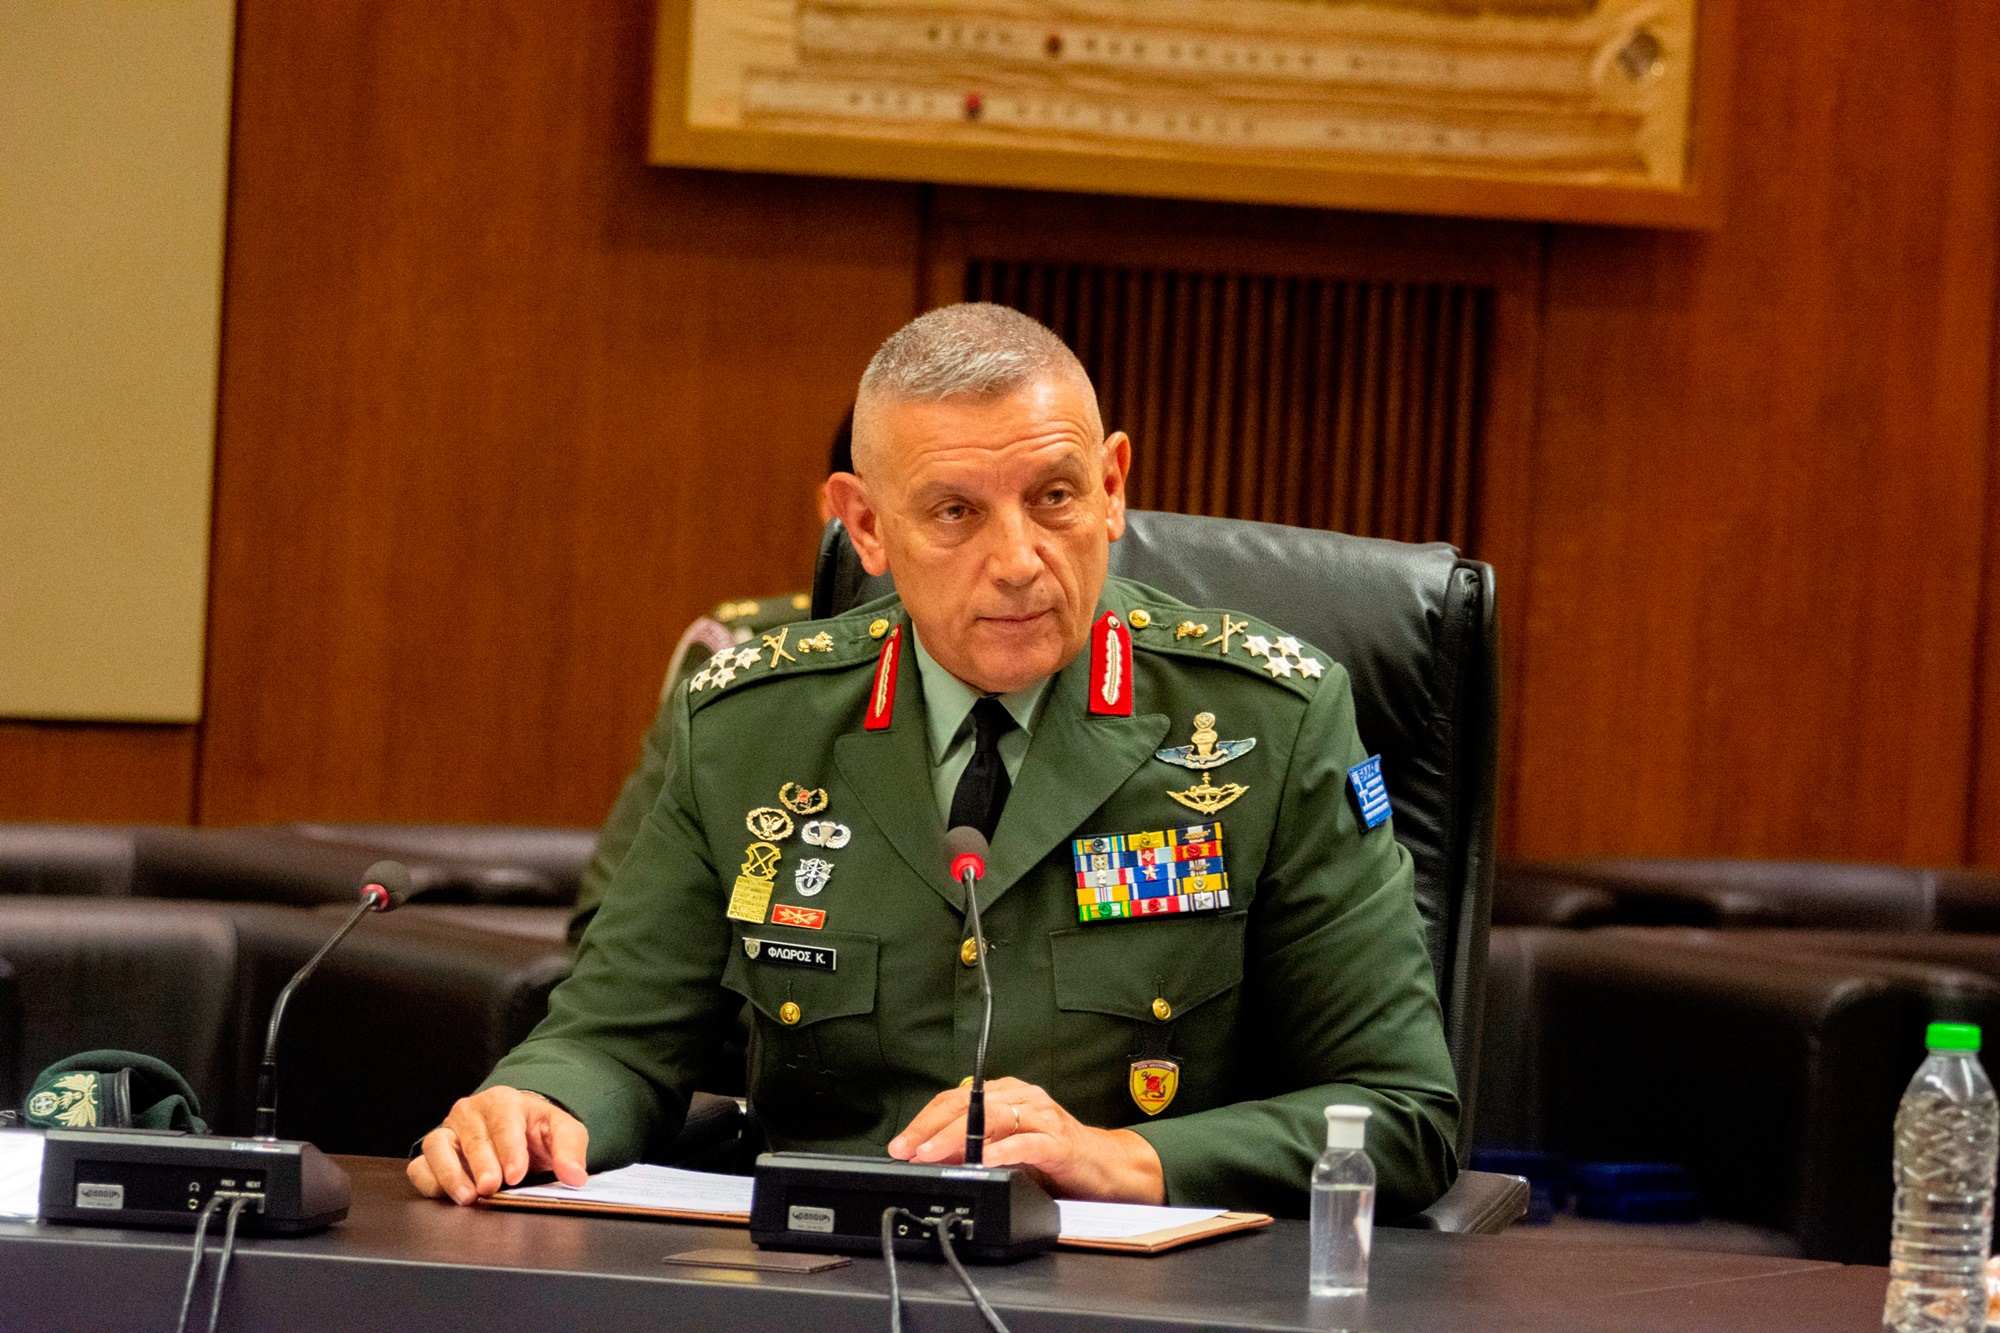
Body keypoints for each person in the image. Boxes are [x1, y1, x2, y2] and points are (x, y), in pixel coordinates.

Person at [410, 303, 1459, 1218]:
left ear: (1111, 487)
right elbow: (613, 1040)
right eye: (956, 511)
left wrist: (1122, 1157)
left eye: (1054, 496)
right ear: (865, 525)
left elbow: (1401, 1111)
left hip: (1139, 1292)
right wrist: (536, 1104)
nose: (1017, 559)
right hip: (819, 1279)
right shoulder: (749, 727)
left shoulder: (1271, 723)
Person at [568, 415, 853, 949]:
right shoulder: (745, 652)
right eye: (949, 509)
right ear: (848, 514)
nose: (1008, 556)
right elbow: (616, 923)